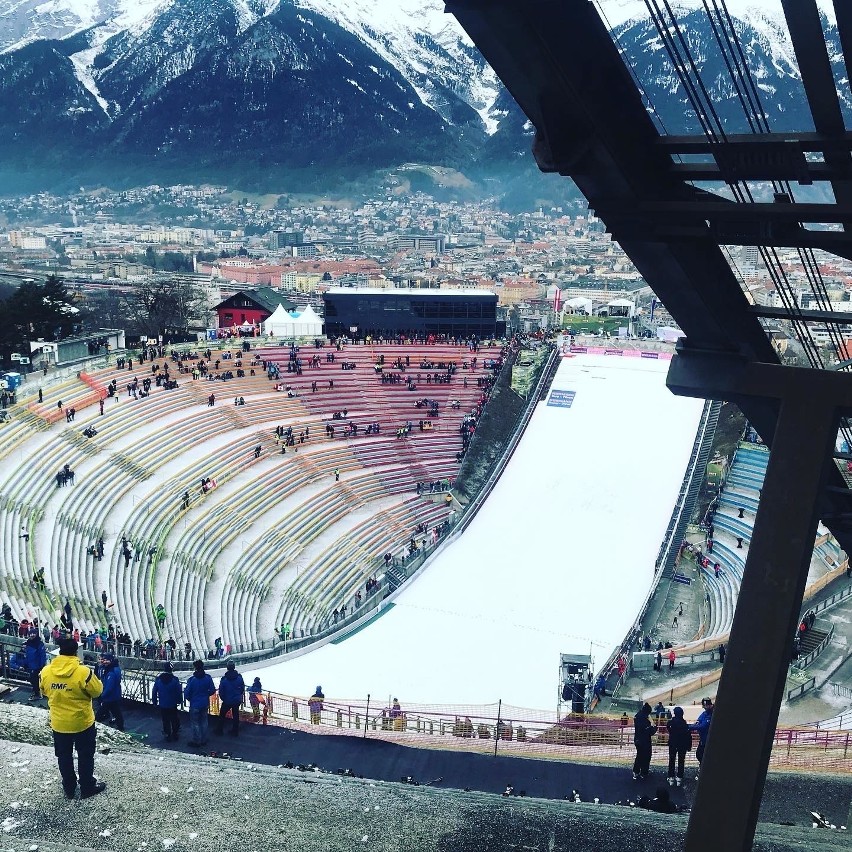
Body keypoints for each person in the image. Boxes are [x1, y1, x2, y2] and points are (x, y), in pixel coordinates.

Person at [40, 637, 106, 799]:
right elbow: (97, 692)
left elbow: (44, 690)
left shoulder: (46, 671)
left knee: (63, 756)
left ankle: (69, 788)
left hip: (59, 723)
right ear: (76, 652)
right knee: (85, 755)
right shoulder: (83, 672)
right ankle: (87, 787)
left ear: (59, 652)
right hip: (82, 722)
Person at [184, 660, 216, 747]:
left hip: (194, 704)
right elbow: (212, 690)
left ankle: (197, 740)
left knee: (195, 723)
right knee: (204, 721)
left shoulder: (192, 680)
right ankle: (204, 739)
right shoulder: (208, 678)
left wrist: (190, 698)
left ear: (195, 668)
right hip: (205, 703)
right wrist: (206, 695)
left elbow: (187, 693)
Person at [152, 661, 182, 742]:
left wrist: (154, 701)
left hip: (163, 704)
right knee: (174, 719)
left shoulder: (158, 680)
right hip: (172, 703)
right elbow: (178, 691)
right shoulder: (175, 680)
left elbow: (154, 691)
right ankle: (175, 733)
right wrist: (179, 700)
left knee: (165, 720)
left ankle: (167, 734)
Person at [217, 661, 245, 736]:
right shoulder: (239, 677)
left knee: (222, 715)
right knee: (235, 715)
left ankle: (219, 730)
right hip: (236, 700)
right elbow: (242, 688)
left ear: (227, 668)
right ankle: (235, 731)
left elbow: (221, 691)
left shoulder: (224, 679)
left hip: (227, 700)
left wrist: (224, 699)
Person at [97, 653, 124, 731]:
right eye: (104, 660)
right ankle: (120, 727)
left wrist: (102, 696)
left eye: (106, 660)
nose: (104, 661)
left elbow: (109, 687)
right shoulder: (113, 668)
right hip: (114, 696)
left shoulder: (111, 672)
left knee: (100, 714)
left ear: (111, 660)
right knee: (116, 712)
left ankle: (96, 725)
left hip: (109, 697)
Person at [666, 706, 692, 787]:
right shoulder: (684, 723)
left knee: (672, 760)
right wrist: (689, 746)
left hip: (673, 744)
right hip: (682, 745)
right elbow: (688, 735)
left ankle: (671, 777)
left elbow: (668, 727)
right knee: (681, 761)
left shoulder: (671, 722)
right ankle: (679, 778)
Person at [632, 702, 657, 780]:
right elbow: (651, 731)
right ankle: (644, 772)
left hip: (637, 740)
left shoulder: (637, 716)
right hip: (645, 741)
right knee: (646, 757)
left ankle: (636, 772)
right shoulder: (646, 720)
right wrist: (653, 723)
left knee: (639, 756)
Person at [692, 697, 714, 779]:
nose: (704, 707)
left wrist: (690, 727)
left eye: (705, 706)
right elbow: (699, 722)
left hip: (708, 740)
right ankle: (703, 768)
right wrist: (695, 725)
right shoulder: (705, 713)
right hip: (703, 739)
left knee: (703, 755)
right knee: (699, 754)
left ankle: (705, 771)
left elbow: (703, 726)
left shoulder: (712, 714)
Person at [24, 630, 47, 700]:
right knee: (32, 679)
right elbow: (27, 654)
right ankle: (36, 691)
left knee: (36, 680)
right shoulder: (28, 643)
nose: (32, 635)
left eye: (34, 633)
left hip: (37, 665)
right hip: (30, 665)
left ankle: (37, 694)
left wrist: (42, 665)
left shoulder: (39, 644)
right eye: (30, 633)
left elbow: (42, 655)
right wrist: (26, 663)